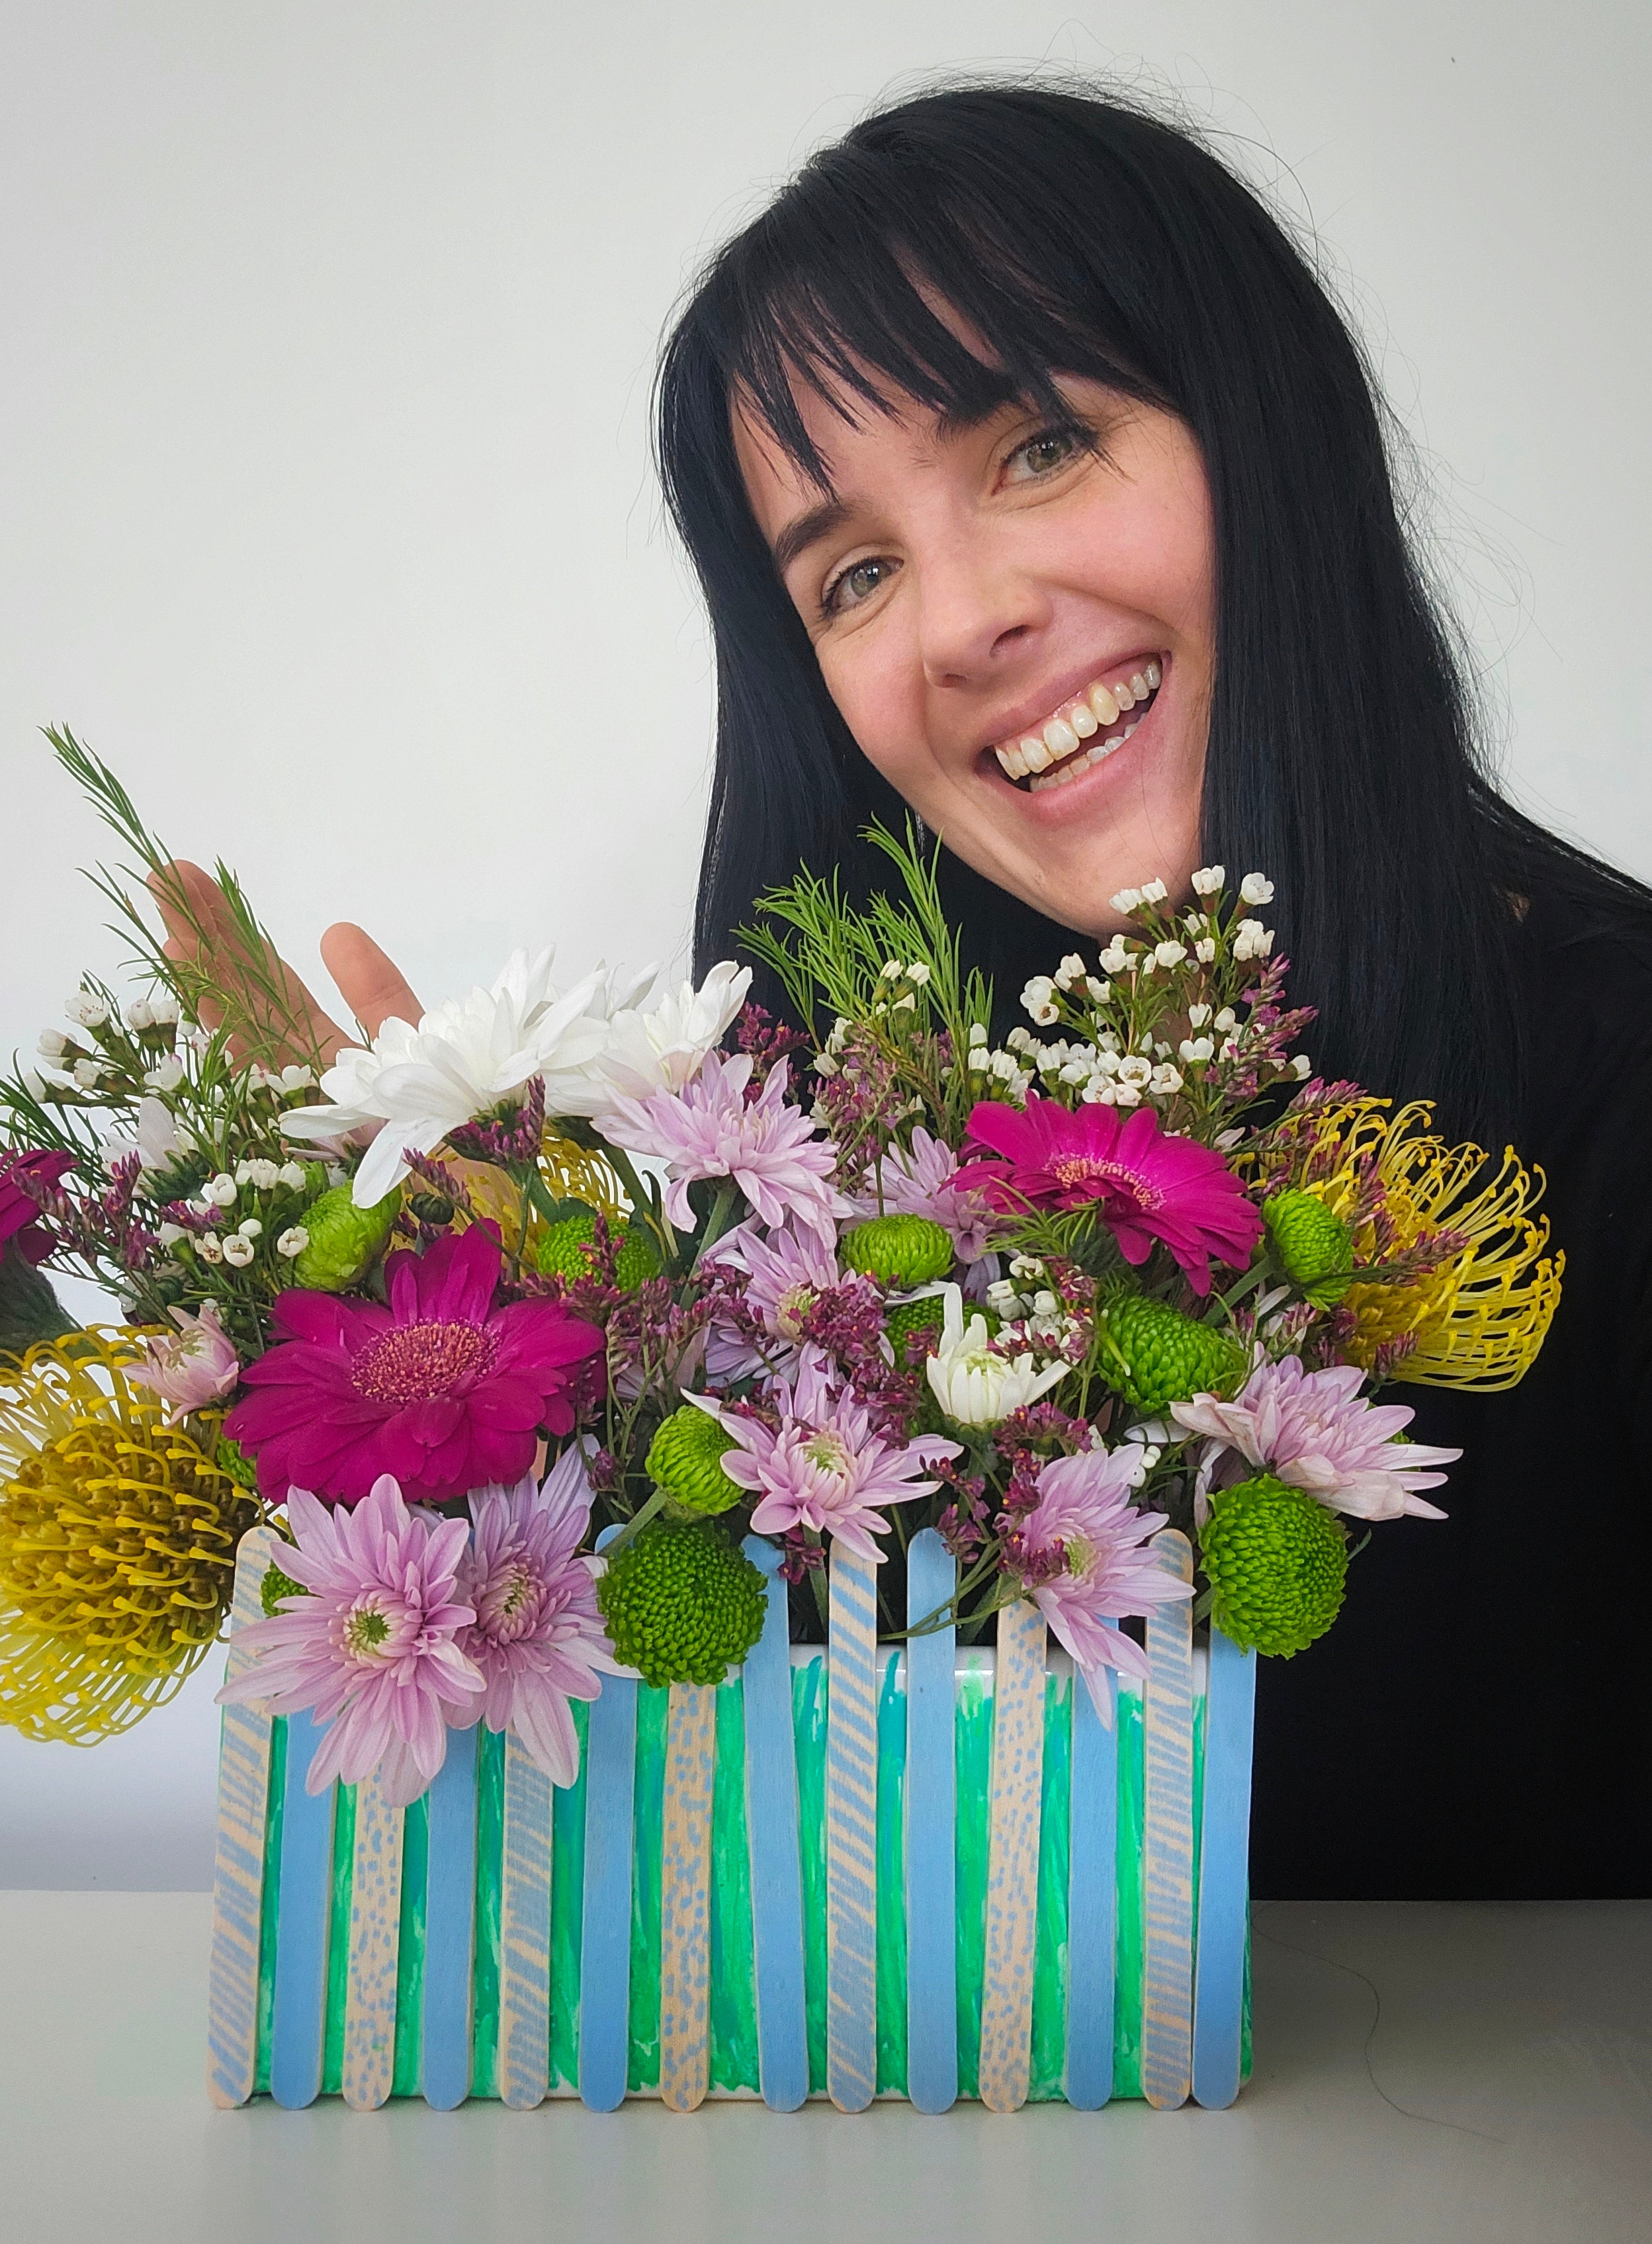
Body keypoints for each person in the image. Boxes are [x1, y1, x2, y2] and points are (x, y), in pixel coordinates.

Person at [161, 82, 1651, 1900]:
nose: (959, 624)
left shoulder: (1619, 1086)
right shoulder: (859, 1237)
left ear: (1268, 435)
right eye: (855, 573)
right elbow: (786, 1904)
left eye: (1037, 447)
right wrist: (456, 1356)